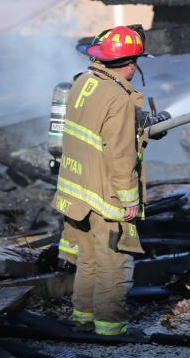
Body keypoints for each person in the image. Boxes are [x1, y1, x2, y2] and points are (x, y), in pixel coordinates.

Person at [53, 26, 149, 336]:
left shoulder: (83, 81)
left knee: (88, 259)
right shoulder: (118, 99)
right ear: (131, 63)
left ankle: (83, 319)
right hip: (103, 194)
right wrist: (129, 199)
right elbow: (120, 154)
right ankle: (110, 329)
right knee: (113, 263)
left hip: (74, 190)